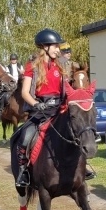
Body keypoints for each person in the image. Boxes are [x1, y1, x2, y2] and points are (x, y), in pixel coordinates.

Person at [14, 29, 69, 187]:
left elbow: (66, 89)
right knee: (25, 136)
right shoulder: (32, 66)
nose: (58, 50)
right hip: (39, 110)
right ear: (45, 46)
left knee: (76, 132)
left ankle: (81, 167)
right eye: (56, 46)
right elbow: (25, 92)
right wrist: (36, 104)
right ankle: (23, 171)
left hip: (58, 109)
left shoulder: (61, 66)